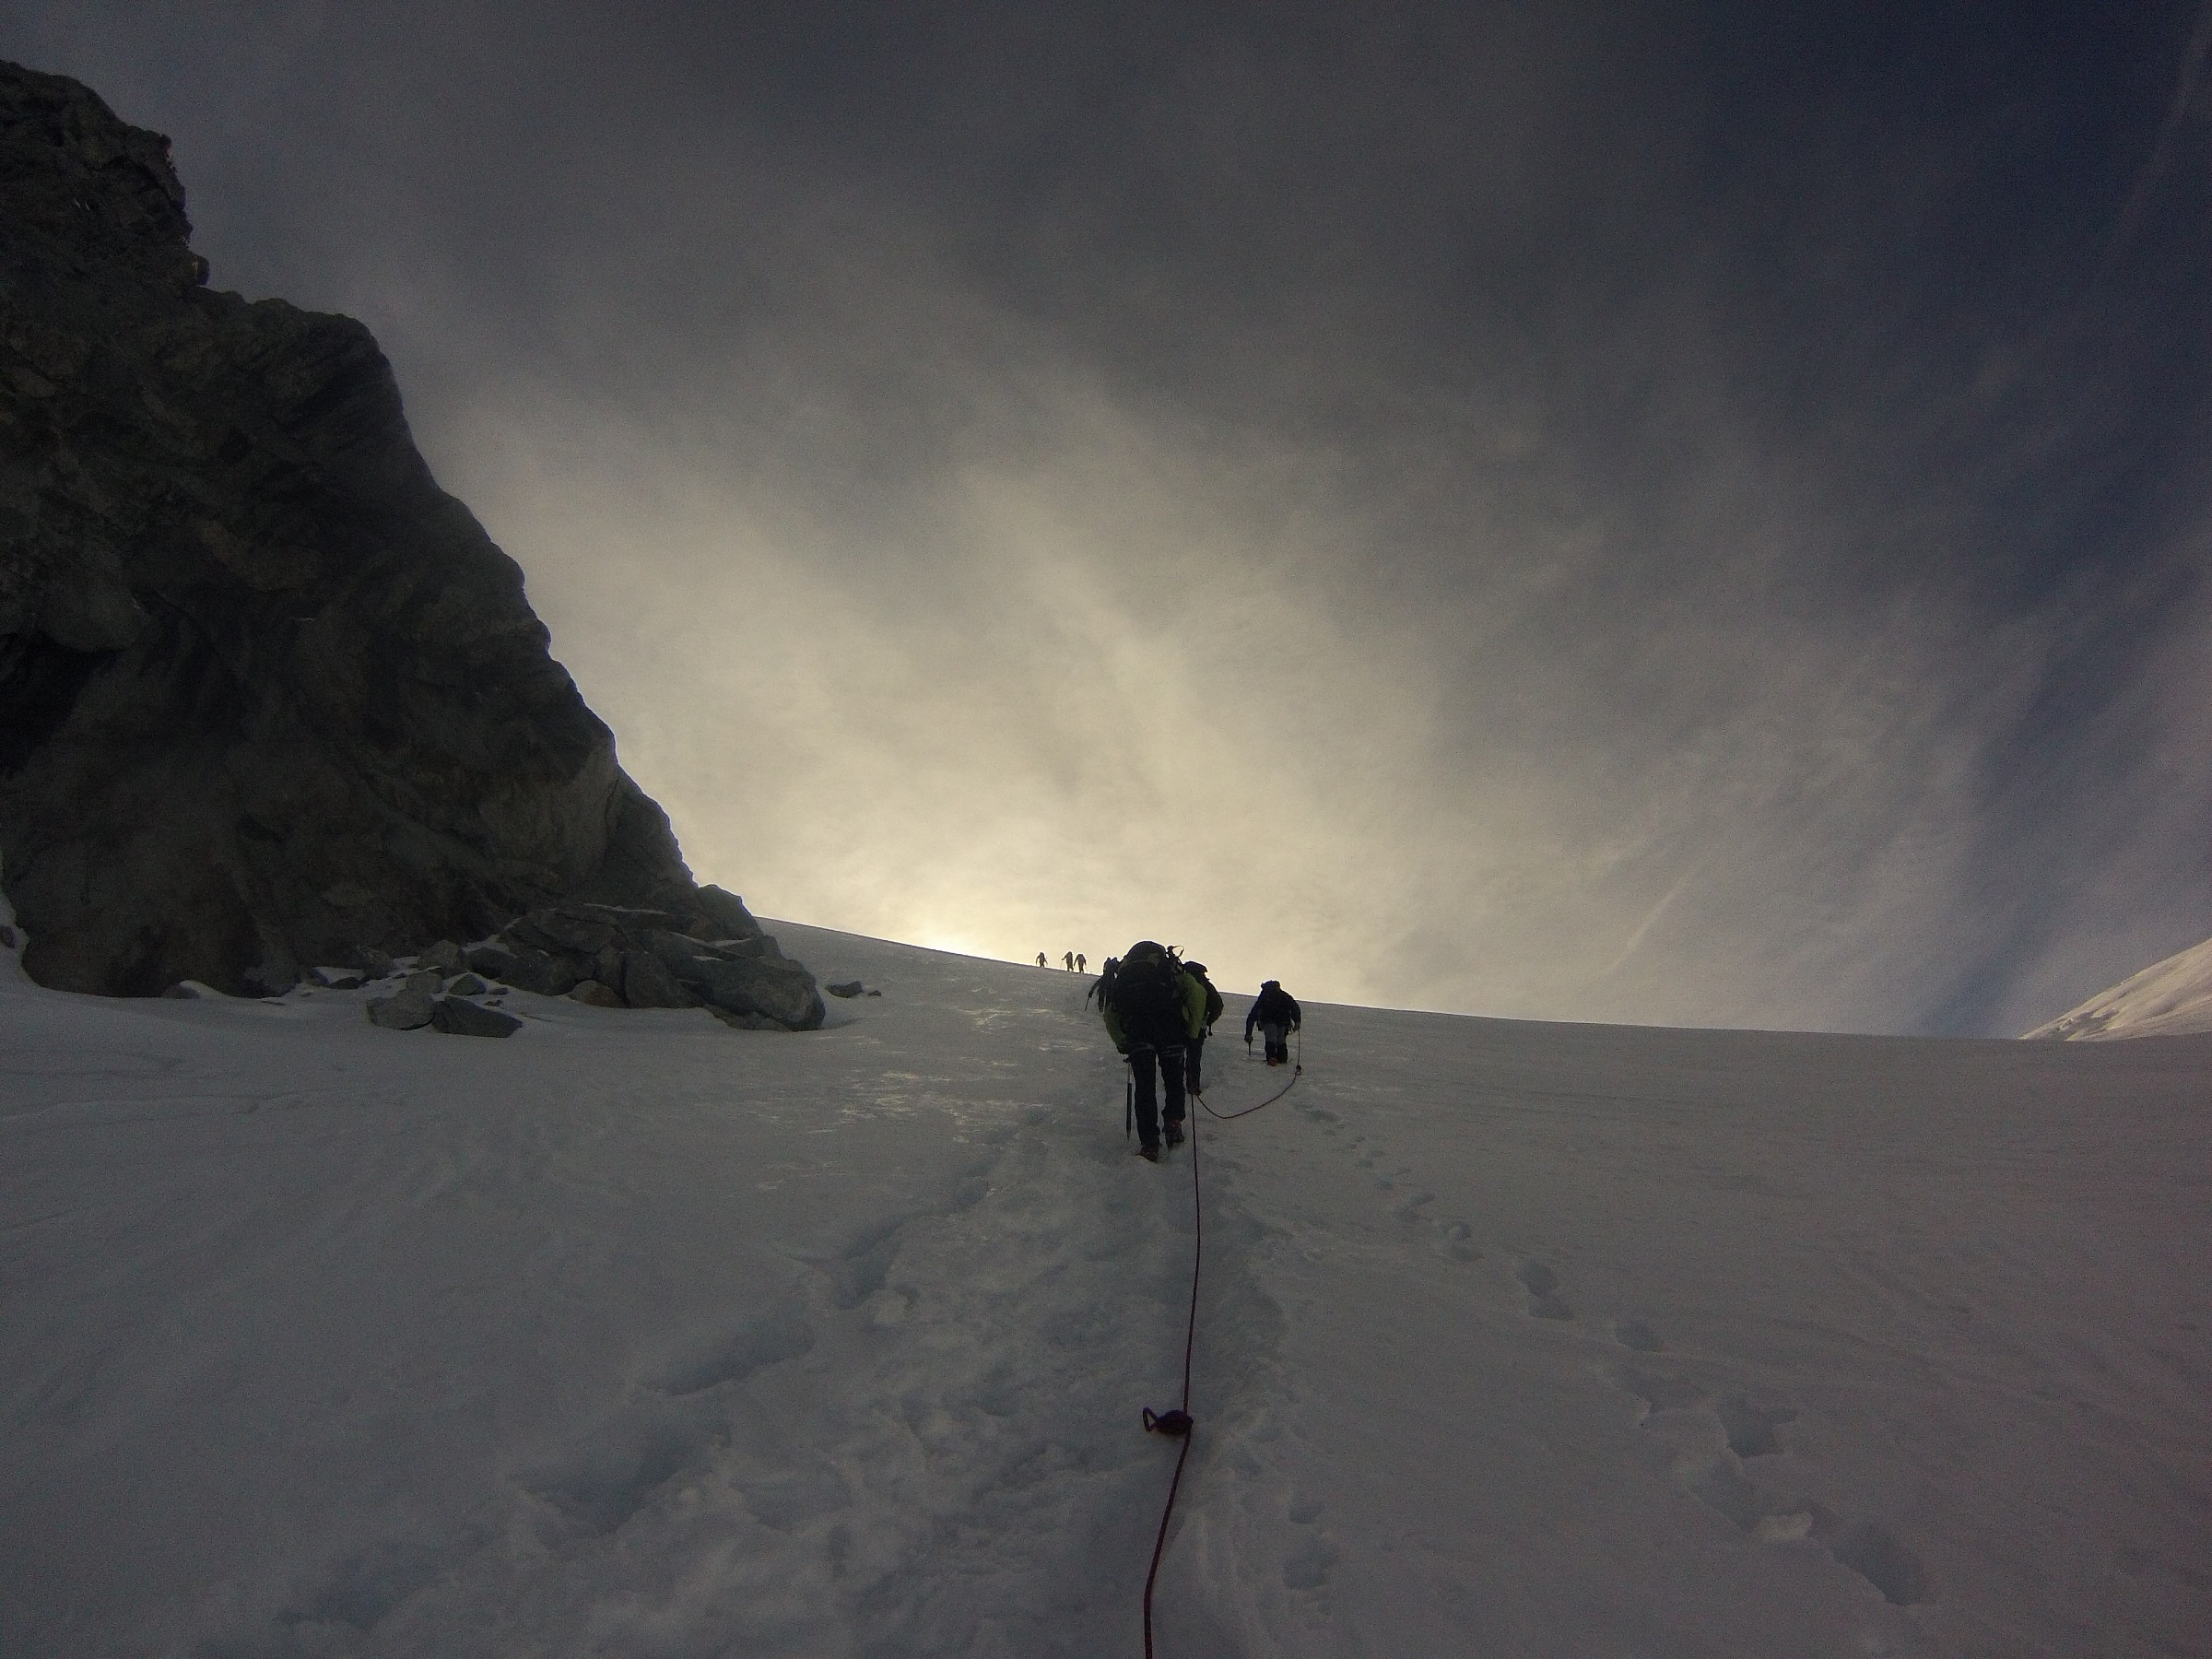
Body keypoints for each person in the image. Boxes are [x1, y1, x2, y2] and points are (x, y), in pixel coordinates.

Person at [1100, 940, 1206, 1160]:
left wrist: (1122, 1042)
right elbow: (1197, 996)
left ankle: (1149, 1143)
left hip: (1138, 1034)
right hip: (1171, 1030)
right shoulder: (1169, 969)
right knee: (1174, 1080)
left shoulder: (1126, 973)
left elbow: (1110, 1013)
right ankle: (1173, 1120)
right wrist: (1193, 1033)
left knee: (1145, 1087)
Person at [1181, 961, 1225, 1094]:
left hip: (1179, 1024)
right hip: (1199, 1025)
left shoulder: (1181, 981)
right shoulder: (1206, 984)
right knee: (1194, 1056)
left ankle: (1173, 1083)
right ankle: (1193, 1084)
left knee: (1176, 1054)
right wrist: (1208, 1021)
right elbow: (1217, 1005)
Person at [1245, 979, 1301, 1065]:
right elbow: (1294, 1008)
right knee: (1281, 1040)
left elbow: (1253, 1014)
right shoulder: (1284, 995)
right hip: (1283, 1021)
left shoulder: (1264, 997)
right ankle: (1282, 1058)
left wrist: (1248, 1033)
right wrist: (1297, 1021)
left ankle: (1272, 1058)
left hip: (1268, 1020)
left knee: (1271, 1038)